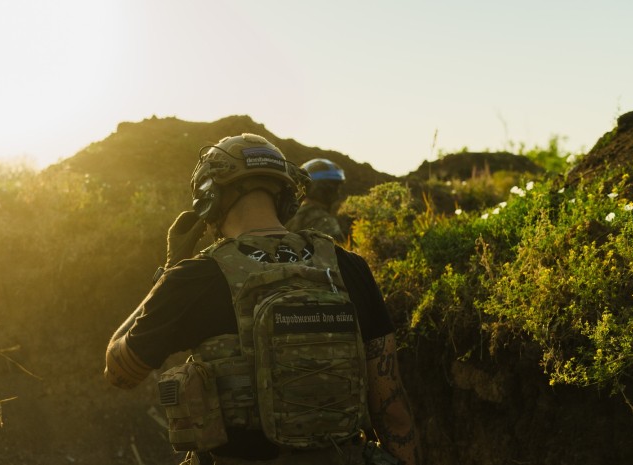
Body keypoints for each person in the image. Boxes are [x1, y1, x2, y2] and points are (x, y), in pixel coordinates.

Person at [104, 134, 419, 465]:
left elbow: (119, 370)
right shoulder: (350, 267)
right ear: (285, 196)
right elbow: (394, 414)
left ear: (208, 198)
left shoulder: (194, 277)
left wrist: (169, 273)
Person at [284, 158, 347, 243]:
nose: (338, 193)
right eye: (336, 187)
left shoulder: (287, 214)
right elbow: (337, 253)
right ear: (324, 188)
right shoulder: (326, 222)